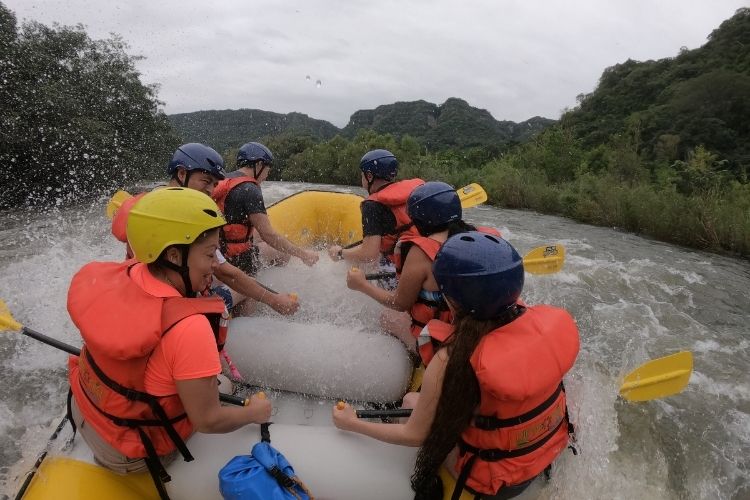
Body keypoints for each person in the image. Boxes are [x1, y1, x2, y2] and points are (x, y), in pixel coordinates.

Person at [333, 232, 580, 499]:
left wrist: (352, 422)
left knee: (411, 402)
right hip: (542, 456)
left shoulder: (450, 359)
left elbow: (414, 435)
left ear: (451, 300)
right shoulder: (540, 327)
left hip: (490, 480)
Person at [68, 188, 272, 498]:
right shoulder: (190, 328)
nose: (214, 266)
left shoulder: (127, 273)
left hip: (84, 413)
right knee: (223, 386)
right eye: (208, 254)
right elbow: (208, 420)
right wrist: (254, 413)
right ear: (174, 255)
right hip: (129, 453)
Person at [110, 143, 299, 316]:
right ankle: (234, 330)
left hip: (142, 295)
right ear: (182, 174)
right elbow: (227, 272)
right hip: (175, 308)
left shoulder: (150, 202)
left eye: (214, 184)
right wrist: (273, 299)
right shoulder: (184, 214)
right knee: (244, 290)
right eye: (205, 181)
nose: (210, 190)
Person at [345, 181, 479, 355]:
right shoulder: (475, 238)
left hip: (444, 342)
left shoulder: (420, 253)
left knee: (387, 317)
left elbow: (399, 303)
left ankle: (415, 361)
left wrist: (362, 285)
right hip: (473, 332)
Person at [212, 141, 319, 275]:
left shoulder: (224, 180)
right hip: (236, 259)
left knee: (257, 236)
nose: (267, 175)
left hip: (217, 250)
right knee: (283, 254)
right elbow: (269, 236)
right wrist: (303, 254)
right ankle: (265, 279)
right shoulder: (250, 189)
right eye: (268, 169)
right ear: (259, 165)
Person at [327, 149, 424, 267]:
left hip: (400, 268)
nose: (362, 180)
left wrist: (340, 253)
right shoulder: (413, 192)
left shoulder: (372, 206)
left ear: (369, 176)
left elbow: (369, 254)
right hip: (423, 258)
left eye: (362, 176)